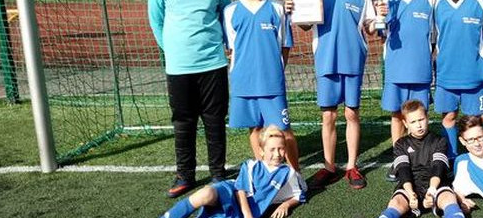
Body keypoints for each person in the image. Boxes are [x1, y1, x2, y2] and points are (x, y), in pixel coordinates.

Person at [111, 127, 307, 218]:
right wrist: (249, 216)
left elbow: (300, 194)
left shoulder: (288, 173)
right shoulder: (251, 165)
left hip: (235, 217)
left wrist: (286, 204)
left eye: (281, 149)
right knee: (205, 194)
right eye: (272, 149)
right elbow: (241, 190)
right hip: (231, 194)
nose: (277, 154)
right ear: (261, 151)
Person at [352, 100, 483, 218]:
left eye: (421, 119)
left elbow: (437, 167)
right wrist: (410, 193)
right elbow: (403, 170)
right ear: (405, 123)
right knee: (396, 202)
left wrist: (432, 190)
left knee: (448, 198)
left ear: (427, 118)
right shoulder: (400, 144)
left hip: (435, 184)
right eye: (413, 122)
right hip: (411, 185)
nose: (419, 125)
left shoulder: (439, 140)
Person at [149, 0, 231, 197]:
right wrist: (172, 50)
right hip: (179, 65)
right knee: (183, 121)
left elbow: (226, 13)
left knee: (215, 119)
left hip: (213, 62)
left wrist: (229, 45)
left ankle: (218, 173)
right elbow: (156, 20)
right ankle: (185, 175)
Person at [298, 0, 384, 190]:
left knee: (351, 114)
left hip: (353, 59)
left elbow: (370, 27)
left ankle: (352, 166)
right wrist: (296, 9)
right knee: (328, 115)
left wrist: (379, 17)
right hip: (325, 58)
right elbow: (304, 25)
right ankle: (329, 167)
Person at [223, 0, 301, 171]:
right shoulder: (230, 11)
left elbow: (285, 45)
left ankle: (296, 176)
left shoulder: (277, 9)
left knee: (284, 131)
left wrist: (275, 71)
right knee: (255, 128)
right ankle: (264, 173)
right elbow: (232, 48)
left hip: (271, 84)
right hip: (244, 82)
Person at [433, 0, 483, 160]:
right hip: (446, 72)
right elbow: (431, 36)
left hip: (473, 72)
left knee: (481, 117)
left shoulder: (480, 3)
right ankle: (450, 158)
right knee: (449, 117)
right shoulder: (437, 4)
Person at [379, 0, 435, 181]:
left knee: (420, 116)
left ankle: (421, 159)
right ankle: (399, 160)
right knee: (397, 116)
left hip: (421, 70)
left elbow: (435, 35)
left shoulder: (430, 3)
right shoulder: (390, 4)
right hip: (396, 69)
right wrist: (380, 16)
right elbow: (381, 32)